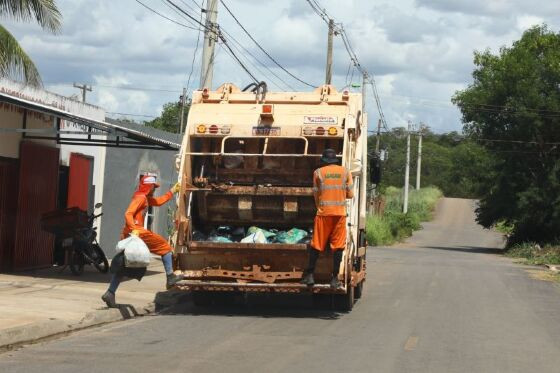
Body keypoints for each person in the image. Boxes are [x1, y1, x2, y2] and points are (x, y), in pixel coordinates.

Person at [101, 175, 182, 308]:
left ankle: (110, 293)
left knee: (124, 265)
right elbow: (128, 213)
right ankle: (170, 277)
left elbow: (159, 201)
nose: (154, 190)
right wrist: (134, 229)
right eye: (153, 187)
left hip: (129, 233)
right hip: (137, 232)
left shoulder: (143, 197)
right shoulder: (140, 198)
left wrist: (172, 191)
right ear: (148, 187)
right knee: (165, 247)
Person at [301, 149, 354, 288]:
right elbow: (350, 194)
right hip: (340, 214)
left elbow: (316, 194)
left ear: (324, 161)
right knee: (338, 246)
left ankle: (310, 275)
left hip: (323, 214)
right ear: (335, 160)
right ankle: (334, 278)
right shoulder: (346, 172)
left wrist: (320, 206)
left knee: (317, 244)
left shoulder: (318, 172)